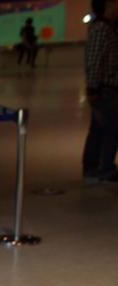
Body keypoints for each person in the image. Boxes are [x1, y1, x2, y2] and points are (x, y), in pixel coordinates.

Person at [82, 0, 118, 182]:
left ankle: (93, 168)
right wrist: (93, 88)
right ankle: (103, 168)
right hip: (104, 89)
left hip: (105, 88)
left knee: (99, 128)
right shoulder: (101, 29)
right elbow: (95, 60)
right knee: (110, 129)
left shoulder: (107, 28)